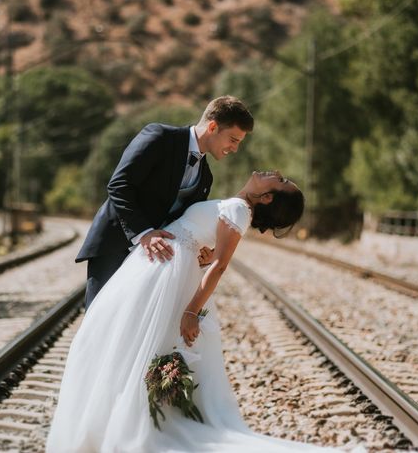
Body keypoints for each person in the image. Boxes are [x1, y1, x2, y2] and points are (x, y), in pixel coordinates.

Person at [47, 171, 341, 452]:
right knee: (126, 340)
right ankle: (110, 420)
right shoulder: (236, 207)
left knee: (127, 340)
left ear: (267, 197)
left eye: (281, 180)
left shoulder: (238, 209)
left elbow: (221, 265)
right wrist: (207, 252)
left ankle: (119, 423)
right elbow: (213, 250)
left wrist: (191, 311)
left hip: (166, 269)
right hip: (163, 265)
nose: (275, 173)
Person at [76, 96, 254, 308]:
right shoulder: (160, 136)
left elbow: (186, 220)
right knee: (99, 318)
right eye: (233, 140)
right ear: (213, 127)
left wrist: (202, 249)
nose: (234, 148)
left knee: (131, 324)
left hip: (152, 260)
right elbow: (119, 185)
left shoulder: (206, 177)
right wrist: (144, 233)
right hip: (116, 243)